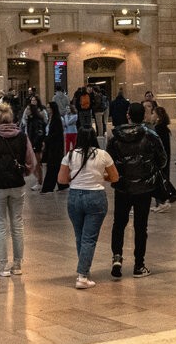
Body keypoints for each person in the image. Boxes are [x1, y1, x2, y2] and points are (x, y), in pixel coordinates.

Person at [0, 106, 37, 277]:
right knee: (17, 224)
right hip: (17, 184)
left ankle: (3, 265)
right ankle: (17, 265)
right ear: (12, 119)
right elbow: (31, 162)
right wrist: (23, 171)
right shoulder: (23, 137)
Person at [56, 130, 118, 290]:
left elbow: (62, 179)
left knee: (80, 236)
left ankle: (84, 270)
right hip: (96, 197)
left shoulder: (69, 155)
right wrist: (99, 176)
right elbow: (115, 177)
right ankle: (82, 276)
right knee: (89, 238)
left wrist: (76, 177)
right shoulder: (103, 154)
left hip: (74, 197)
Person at [106, 118, 165, 279]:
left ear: (128, 116)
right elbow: (162, 159)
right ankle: (139, 265)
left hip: (122, 187)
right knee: (141, 227)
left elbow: (109, 162)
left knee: (119, 224)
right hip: (144, 188)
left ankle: (117, 258)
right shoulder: (150, 135)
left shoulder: (115, 138)